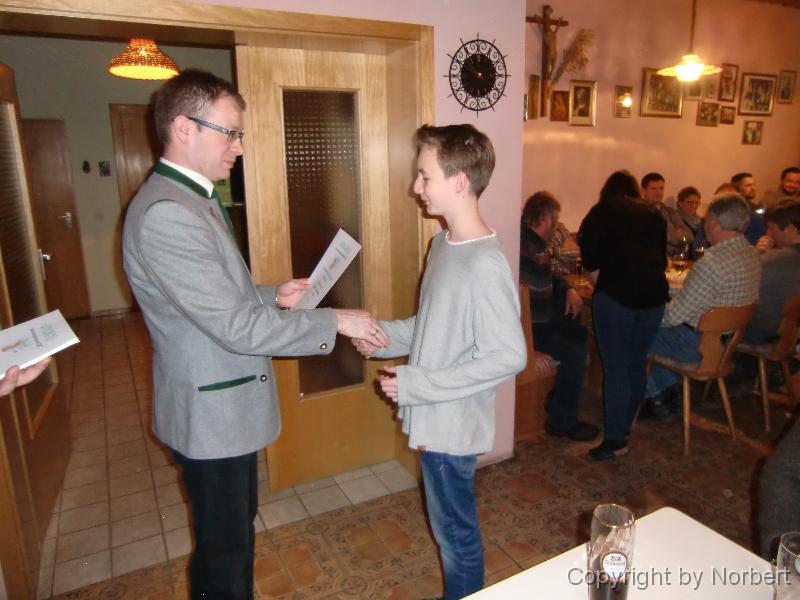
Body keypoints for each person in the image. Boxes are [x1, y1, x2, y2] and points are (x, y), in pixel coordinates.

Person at [121, 69, 387, 600]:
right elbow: (235, 327)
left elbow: (215, 298)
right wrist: (335, 321)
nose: (239, 147)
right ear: (184, 128)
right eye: (230, 133)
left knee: (231, 539)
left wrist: (271, 295)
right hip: (211, 416)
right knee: (225, 556)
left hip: (222, 413)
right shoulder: (167, 213)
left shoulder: (190, 197)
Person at [353, 124, 527, 599]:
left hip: (452, 426)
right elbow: (431, 326)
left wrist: (416, 384)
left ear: (459, 181)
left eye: (425, 176)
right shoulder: (443, 246)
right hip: (434, 416)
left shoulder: (484, 264)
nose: (417, 187)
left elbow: (509, 355)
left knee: (456, 540)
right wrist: (382, 337)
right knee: (448, 529)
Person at [578, 171, 669, 461]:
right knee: (635, 363)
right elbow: (661, 257)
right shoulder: (654, 215)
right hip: (654, 297)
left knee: (616, 368)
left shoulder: (602, 212)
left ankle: (616, 438)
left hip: (617, 296)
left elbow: (589, 258)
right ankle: (625, 426)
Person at [643, 193, 761, 415]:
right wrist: (669, 291)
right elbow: (705, 295)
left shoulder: (711, 263)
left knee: (633, 328)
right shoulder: (752, 254)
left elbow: (672, 317)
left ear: (714, 223)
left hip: (696, 348)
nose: (703, 225)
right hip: (727, 344)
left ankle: (656, 395)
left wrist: (645, 308)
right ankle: (668, 391)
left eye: (706, 221)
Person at [520, 191, 597, 441]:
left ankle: (557, 401)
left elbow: (552, 275)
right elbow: (520, 298)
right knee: (574, 353)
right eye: (554, 222)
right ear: (543, 219)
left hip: (543, 320)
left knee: (580, 332)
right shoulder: (522, 247)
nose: (555, 228)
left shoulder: (537, 245)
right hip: (530, 327)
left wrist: (569, 290)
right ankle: (561, 422)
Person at [744, 199, 800, 344]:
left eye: (771, 228)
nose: (768, 233)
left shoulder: (773, 260)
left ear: (790, 229)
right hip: (790, 336)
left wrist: (758, 253)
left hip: (763, 334)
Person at [640, 172, 689, 256]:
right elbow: (648, 241)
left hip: (676, 258)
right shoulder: (638, 212)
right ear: (643, 190)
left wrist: (666, 238)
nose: (658, 192)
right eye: (654, 189)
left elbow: (689, 237)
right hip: (652, 259)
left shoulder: (670, 212)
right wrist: (675, 234)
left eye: (661, 188)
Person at [731, 171, 767, 245]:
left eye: (754, 185)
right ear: (736, 188)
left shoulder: (755, 207)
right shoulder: (732, 209)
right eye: (748, 185)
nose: (753, 188)